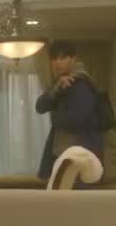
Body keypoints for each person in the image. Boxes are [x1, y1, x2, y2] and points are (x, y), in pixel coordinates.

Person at [35, 40, 105, 187]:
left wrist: (56, 118)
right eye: (54, 58)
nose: (57, 63)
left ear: (73, 59)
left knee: (76, 197)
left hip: (80, 155)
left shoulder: (82, 84)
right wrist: (57, 88)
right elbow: (40, 106)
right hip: (62, 153)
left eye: (62, 58)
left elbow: (76, 120)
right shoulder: (61, 84)